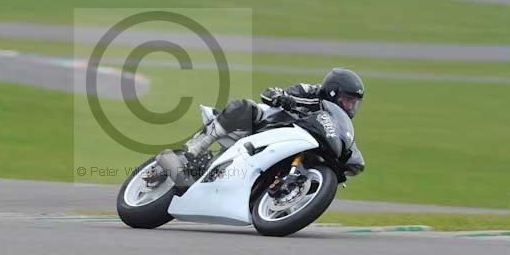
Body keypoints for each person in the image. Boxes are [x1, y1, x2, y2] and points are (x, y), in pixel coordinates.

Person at [152, 68, 366, 185]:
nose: (350, 107)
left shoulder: (338, 122)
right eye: (348, 101)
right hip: (269, 126)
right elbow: (269, 93)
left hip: (290, 147)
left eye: (354, 103)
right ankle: (194, 148)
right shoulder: (309, 91)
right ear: (333, 92)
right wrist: (285, 98)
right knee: (244, 106)